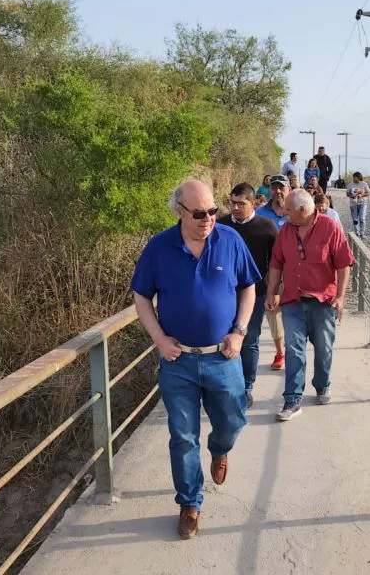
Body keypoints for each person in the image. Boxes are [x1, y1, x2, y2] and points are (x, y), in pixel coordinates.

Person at [130, 179, 258, 540]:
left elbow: (248, 287)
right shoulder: (159, 247)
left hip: (223, 357)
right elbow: (141, 297)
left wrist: (239, 330)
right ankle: (189, 503)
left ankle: (220, 449)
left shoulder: (230, 241)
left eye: (213, 211)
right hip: (178, 362)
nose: (209, 219)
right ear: (180, 212)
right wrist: (158, 338)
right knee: (183, 437)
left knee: (233, 421)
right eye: (200, 213)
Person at [265, 190, 355, 421]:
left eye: (288, 210)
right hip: (293, 300)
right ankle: (292, 399)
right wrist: (272, 292)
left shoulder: (330, 227)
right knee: (294, 350)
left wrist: (341, 298)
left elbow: (344, 264)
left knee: (324, 348)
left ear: (302, 211)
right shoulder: (285, 230)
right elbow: (276, 263)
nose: (284, 214)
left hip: (322, 302)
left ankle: (322, 384)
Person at [218, 183, 278, 406]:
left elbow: (277, 262)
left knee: (249, 338)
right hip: (223, 292)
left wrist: (275, 291)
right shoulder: (221, 225)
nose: (235, 208)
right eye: (232, 203)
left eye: (240, 204)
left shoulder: (267, 227)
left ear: (253, 204)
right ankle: (226, 385)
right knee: (223, 337)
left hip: (256, 293)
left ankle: (246, 387)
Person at [253, 175, 288, 371]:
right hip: (270, 272)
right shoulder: (260, 214)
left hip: (295, 273)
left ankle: (293, 349)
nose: (278, 191)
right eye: (274, 188)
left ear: (289, 189)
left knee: (293, 314)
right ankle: (280, 352)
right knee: (273, 312)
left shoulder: (296, 212)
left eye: (281, 188)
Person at [346, 171, 370, 236]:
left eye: (355, 178)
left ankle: (362, 232)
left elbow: (368, 193)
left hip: (362, 203)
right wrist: (351, 196)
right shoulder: (350, 184)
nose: (354, 179)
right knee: (355, 219)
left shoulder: (364, 184)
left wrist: (361, 195)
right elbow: (347, 193)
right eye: (353, 177)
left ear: (359, 178)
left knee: (362, 218)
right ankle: (357, 233)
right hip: (353, 204)